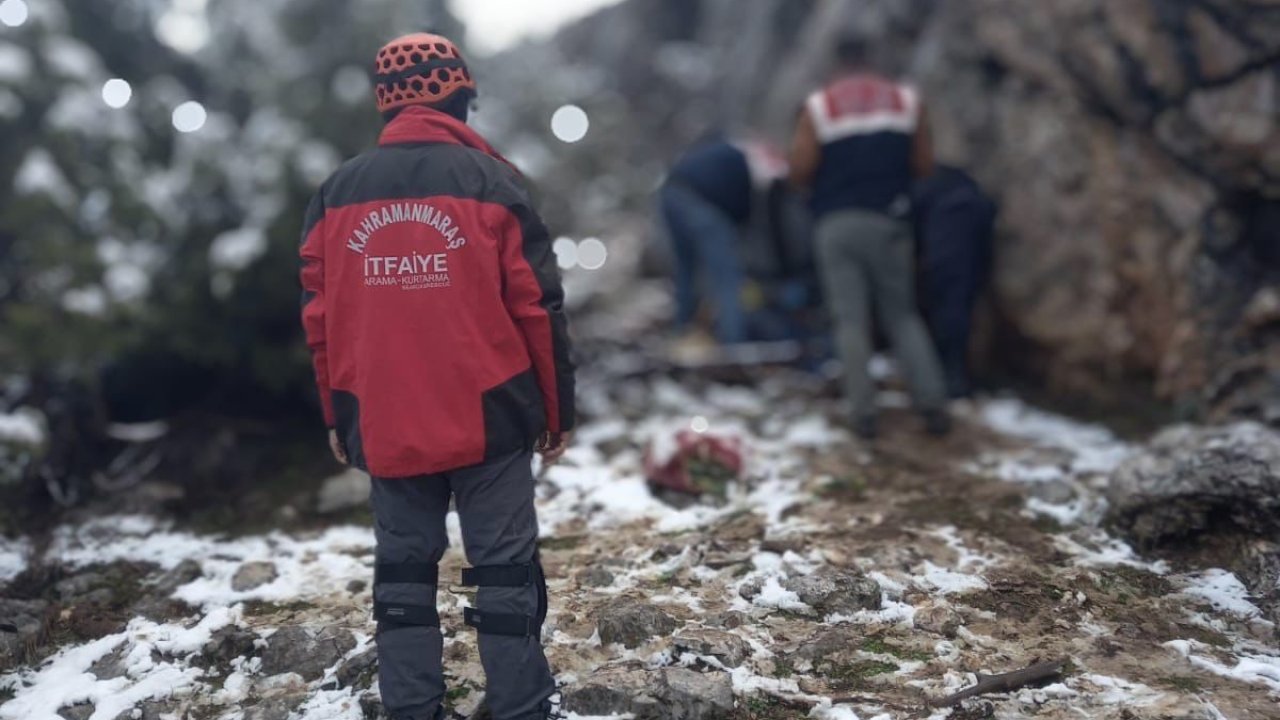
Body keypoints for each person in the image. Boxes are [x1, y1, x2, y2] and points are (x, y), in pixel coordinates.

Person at [299, 33, 574, 720]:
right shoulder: (492, 182)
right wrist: (556, 409)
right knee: (506, 571)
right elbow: (537, 307)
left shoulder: (336, 192)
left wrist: (339, 415)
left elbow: (319, 316)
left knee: (403, 573)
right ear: (459, 96)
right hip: (491, 415)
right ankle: (520, 707)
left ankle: (413, 708)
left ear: (386, 106)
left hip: (386, 420)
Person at [789, 35, 950, 439]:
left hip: (837, 224)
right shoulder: (906, 102)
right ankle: (933, 405)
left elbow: (799, 169)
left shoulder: (820, 106)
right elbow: (925, 165)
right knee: (904, 314)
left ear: (838, 63)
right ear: (872, 60)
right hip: (890, 222)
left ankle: (863, 414)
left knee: (850, 321)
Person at [660, 136, 789, 357]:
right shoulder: (756, 166)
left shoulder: (729, 150)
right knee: (727, 278)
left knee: (686, 270)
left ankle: (682, 331)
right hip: (697, 200)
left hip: (669, 194)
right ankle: (734, 345)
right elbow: (745, 214)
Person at [914, 165, 997, 399]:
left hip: (951, 224)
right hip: (971, 214)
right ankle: (959, 372)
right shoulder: (939, 176)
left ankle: (953, 376)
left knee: (949, 302)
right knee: (962, 300)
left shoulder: (908, 184)